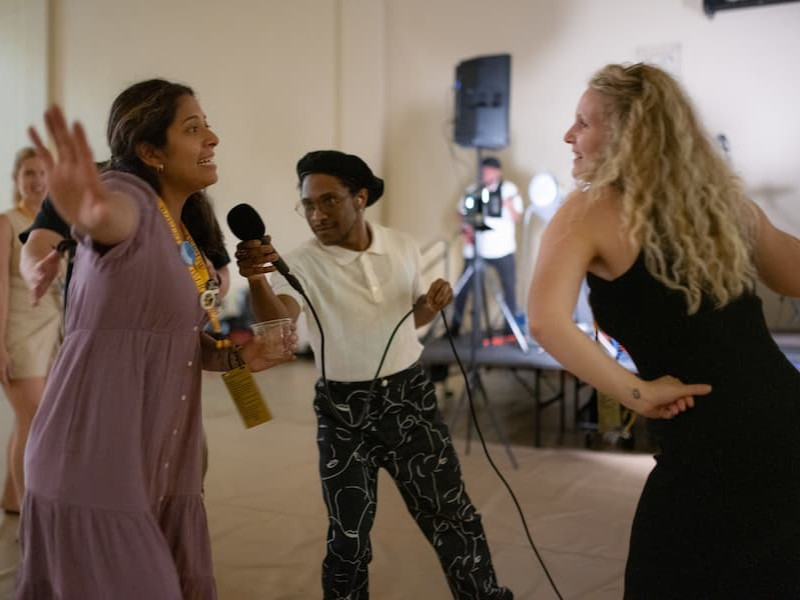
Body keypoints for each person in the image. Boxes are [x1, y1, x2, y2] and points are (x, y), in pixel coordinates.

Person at [528, 62, 800, 598]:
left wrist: (639, 394)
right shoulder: (725, 208)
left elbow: (545, 320)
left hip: (708, 443)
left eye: (584, 122)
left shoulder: (587, 211)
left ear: (631, 133)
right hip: (784, 419)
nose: (568, 135)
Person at [14, 80, 292, 599]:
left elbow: (184, 340)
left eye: (207, 124)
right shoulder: (130, 198)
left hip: (161, 469)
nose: (211, 137)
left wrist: (233, 353)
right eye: (193, 128)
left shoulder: (186, 236)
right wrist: (87, 211)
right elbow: (109, 218)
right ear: (149, 152)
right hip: (93, 463)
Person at [236, 150, 513, 600]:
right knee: (347, 541)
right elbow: (281, 321)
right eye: (307, 204)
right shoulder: (300, 264)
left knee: (453, 518)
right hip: (343, 414)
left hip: (411, 401)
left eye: (328, 201)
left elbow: (410, 319)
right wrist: (257, 280)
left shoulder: (401, 247)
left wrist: (429, 305)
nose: (316, 215)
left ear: (360, 198)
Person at [20, 189, 231, 308]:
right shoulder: (91, 186)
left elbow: (222, 273)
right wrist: (35, 271)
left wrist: (212, 281)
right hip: (100, 354)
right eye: (192, 129)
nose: (211, 139)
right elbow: (39, 243)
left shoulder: (193, 201)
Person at [0, 148, 62, 514]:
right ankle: (27, 511)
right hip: (18, 330)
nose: (37, 180)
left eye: (42, 172)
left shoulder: (58, 222)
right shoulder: (7, 222)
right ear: (16, 178)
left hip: (54, 328)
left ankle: (11, 497)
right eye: (28, 173)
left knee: (33, 418)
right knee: (32, 417)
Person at [450, 156, 523, 338]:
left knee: (509, 288)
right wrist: (465, 229)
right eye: (482, 171)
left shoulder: (509, 190)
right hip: (476, 249)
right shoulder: (473, 190)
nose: (485, 174)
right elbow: (460, 212)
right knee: (464, 288)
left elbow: (517, 217)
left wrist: (508, 205)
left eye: (488, 171)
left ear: (497, 171)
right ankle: (454, 328)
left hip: (502, 249)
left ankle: (510, 330)